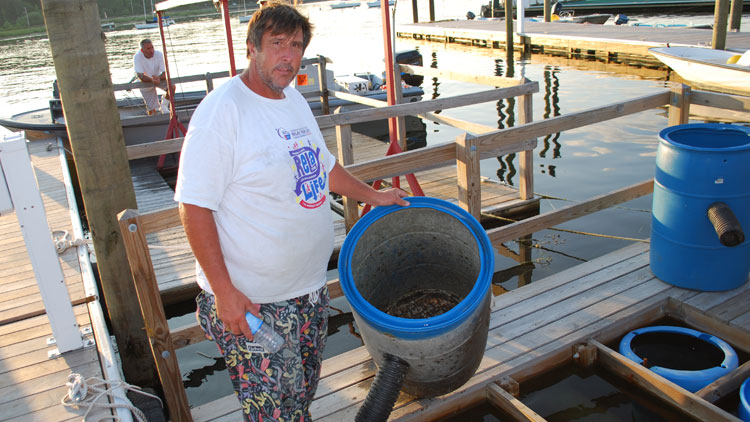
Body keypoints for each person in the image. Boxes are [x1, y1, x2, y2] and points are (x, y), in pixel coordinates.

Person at [173, 2, 409, 421]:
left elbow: (323, 167)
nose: (288, 56)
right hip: (255, 304)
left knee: (299, 401)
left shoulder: (293, 99)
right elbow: (193, 206)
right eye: (277, 44)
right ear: (253, 49)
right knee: (272, 414)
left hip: (308, 293)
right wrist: (224, 293)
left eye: (296, 45)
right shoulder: (222, 111)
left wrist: (372, 197)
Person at [133, 39, 170, 115]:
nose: (151, 51)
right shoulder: (137, 57)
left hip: (158, 79)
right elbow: (141, 76)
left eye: (152, 47)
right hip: (145, 82)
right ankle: (153, 111)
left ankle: (164, 105)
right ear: (142, 50)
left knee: (172, 87)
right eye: (148, 49)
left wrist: (158, 78)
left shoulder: (159, 54)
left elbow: (165, 72)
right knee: (153, 111)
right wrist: (152, 80)